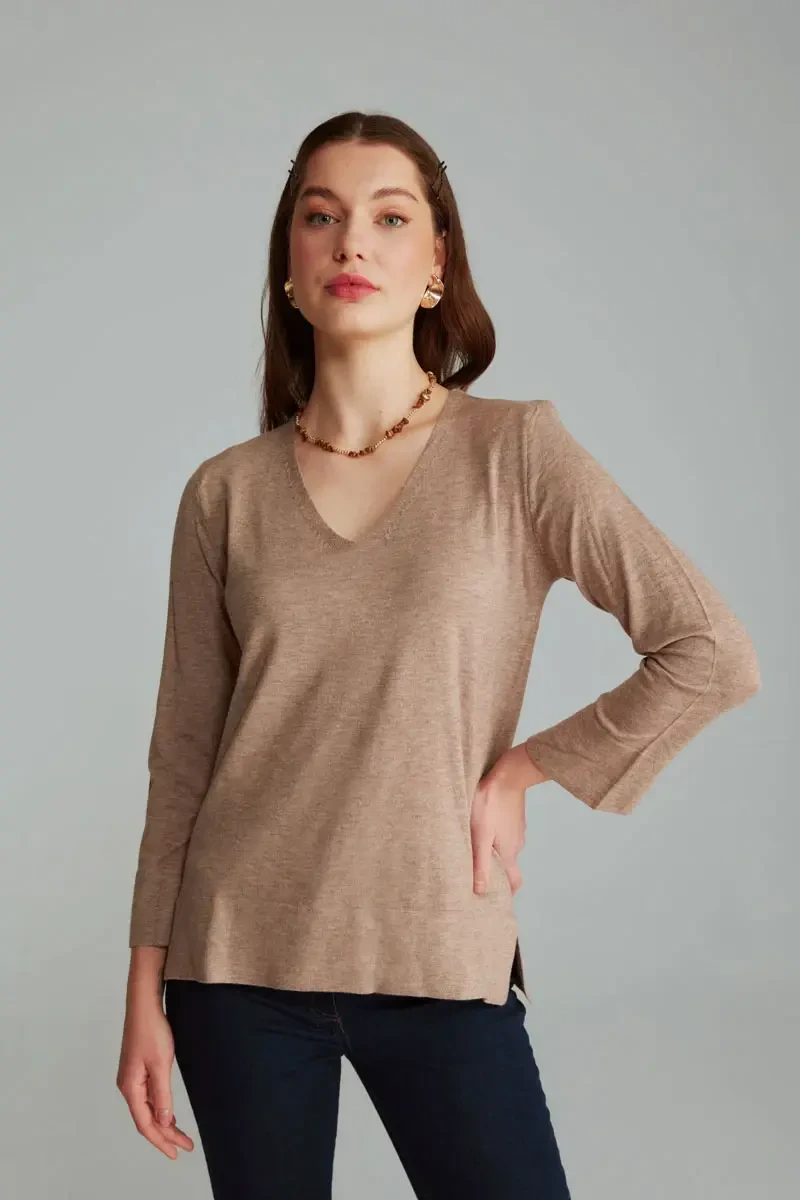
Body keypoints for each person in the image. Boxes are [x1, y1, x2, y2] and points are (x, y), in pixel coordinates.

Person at [116, 110, 761, 1199]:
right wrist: (145, 987)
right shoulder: (223, 493)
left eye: (388, 217)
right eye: (320, 217)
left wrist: (525, 768)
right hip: (234, 966)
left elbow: (708, 650)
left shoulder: (515, 452)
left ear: (435, 264)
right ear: (289, 271)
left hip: (435, 952)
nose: (350, 242)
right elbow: (182, 758)